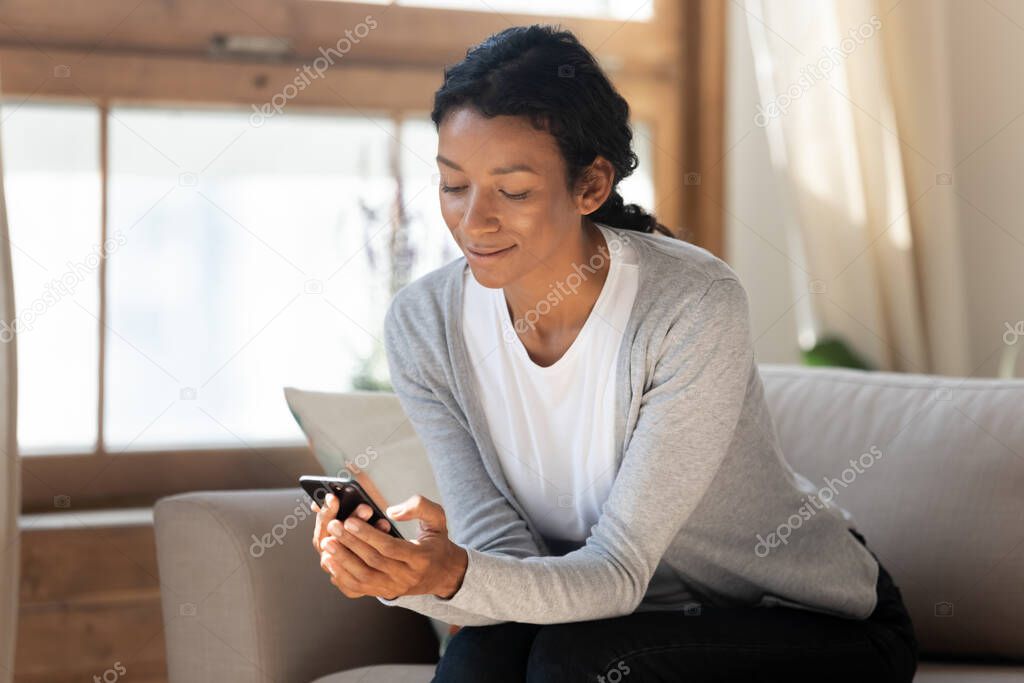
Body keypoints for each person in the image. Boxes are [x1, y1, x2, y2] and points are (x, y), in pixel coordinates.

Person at [312, 24, 918, 682]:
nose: (473, 220)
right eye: (454, 185)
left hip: (814, 621)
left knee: (575, 662)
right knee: (478, 658)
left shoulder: (691, 305)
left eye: (512, 190)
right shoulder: (424, 324)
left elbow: (617, 573)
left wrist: (452, 575)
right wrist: (401, 575)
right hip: (609, 619)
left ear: (591, 185)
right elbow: (504, 558)